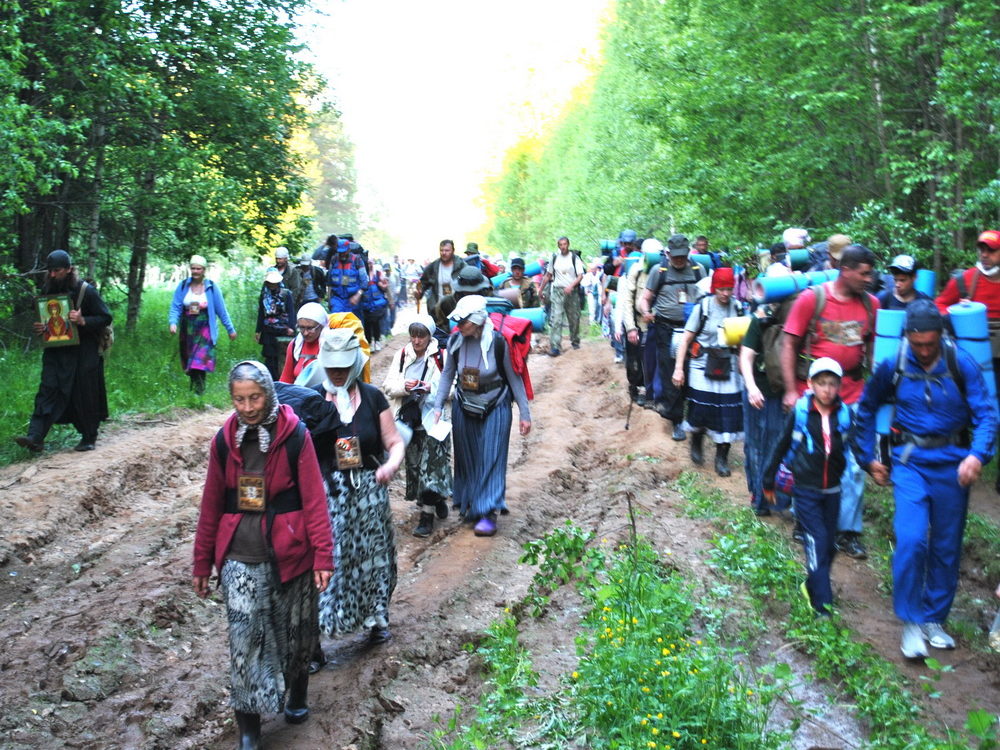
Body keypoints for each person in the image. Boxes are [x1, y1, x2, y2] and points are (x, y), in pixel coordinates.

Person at [192, 361, 334, 748]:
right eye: (239, 399)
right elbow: (210, 504)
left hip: (291, 550)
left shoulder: (295, 435)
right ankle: (249, 724)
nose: (248, 407)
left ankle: (298, 689)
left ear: (268, 394)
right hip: (240, 551)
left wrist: (323, 556)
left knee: (296, 630)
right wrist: (202, 562)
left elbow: (314, 500)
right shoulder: (224, 440)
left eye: (254, 397)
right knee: (244, 637)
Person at [852, 301, 997, 658]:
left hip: (953, 465)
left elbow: (986, 414)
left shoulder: (960, 363)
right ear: (908, 338)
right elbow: (866, 407)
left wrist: (978, 455)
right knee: (913, 539)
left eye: (930, 344)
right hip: (910, 463)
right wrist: (868, 458)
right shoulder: (895, 362)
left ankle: (935, 619)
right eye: (918, 345)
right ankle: (911, 621)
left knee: (946, 546)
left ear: (941, 337)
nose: (924, 351)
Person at [780, 243, 879, 559]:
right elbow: (788, 343)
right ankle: (805, 520)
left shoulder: (872, 305)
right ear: (845, 270)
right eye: (863, 274)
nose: (869, 279)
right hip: (816, 398)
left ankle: (848, 531)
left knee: (852, 465)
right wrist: (791, 390)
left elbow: (873, 350)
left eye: (870, 274)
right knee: (812, 458)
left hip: (855, 394)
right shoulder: (813, 299)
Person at [313, 329, 404, 644]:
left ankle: (376, 617)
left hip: (368, 490)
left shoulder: (373, 397)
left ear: (354, 363)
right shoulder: (312, 400)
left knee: (373, 555)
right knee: (331, 560)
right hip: (329, 494)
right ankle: (321, 632)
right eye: (331, 366)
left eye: (342, 366)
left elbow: (394, 442)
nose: (336, 372)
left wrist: (391, 465)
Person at [433, 295, 531, 537]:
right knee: (468, 459)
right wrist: (437, 406)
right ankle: (472, 504)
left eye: (463, 321)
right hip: (464, 404)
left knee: (491, 457)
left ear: (476, 321)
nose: (459, 325)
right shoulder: (456, 339)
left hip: (495, 405)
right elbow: (447, 374)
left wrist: (524, 414)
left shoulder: (498, 343)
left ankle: (488, 511)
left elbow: (514, 378)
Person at [762, 358, 852, 616]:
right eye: (821, 383)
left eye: (832, 384)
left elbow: (855, 445)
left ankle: (812, 583)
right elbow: (780, 445)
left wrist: (874, 465)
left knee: (830, 545)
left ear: (839, 386)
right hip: (806, 489)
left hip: (833, 490)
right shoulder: (801, 412)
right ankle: (822, 607)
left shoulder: (843, 415)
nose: (827, 389)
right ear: (811, 385)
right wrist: (768, 480)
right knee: (817, 541)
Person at [15, 250, 112, 453]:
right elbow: (46, 319)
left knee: (83, 393)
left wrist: (83, 321)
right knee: (47, 389)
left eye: (56, 270)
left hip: (83, 353)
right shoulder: (46, 290)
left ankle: (88, 437)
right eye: (50, 270)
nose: (52, 274)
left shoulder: (86, 291)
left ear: (69, 269)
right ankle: (35, 437)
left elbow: (105, 317)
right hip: (56, 351)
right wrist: (42, 328)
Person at [382, 314, 453, 537]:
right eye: (413, 336)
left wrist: (431, 388)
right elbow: (388, 386)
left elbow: (453, 388)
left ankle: (427, 516)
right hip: (409, 421)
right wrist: (406, 386)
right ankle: (437, 497)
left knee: (431, 467)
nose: (416, 341)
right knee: (414, 468)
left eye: (420, 336)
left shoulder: (442, 356)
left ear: (429, 336)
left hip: (434, 420)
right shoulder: (402, 356)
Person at [672, 267, 744, 476]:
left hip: (728, 363)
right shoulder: (703, 307)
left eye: (729, 289)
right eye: (721, 289)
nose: (725, 294)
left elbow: (742, 342)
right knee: (701, 409)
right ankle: (697, 440)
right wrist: (678, 369)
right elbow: (686, 339)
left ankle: (722, 457)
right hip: (701, 363)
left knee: (728, 411)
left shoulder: (737, 307)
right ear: (714, 288)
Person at [638, 233, 706, 440]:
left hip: (692, 329)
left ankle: (694, 415)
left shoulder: (698, 270)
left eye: (682, 256)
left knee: (691, 370)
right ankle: (676, 419)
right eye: (675, 256)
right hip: (665, 329)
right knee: (670, 372)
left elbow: (707, 296)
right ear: (668, 254)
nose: (679, 260)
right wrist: (646, 312)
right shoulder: (659, 271)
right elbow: (645, 298)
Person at [739, 306, 791, 515]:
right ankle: (758, 495)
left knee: (775, 446)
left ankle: (768, 497)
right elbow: (746, 356)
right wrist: (752, 388)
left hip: (781, 395)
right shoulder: (758, 321)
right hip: (758, 392)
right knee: (754, 445)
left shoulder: (795, 320)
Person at [168, 254, 237, 395]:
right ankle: (194, 390)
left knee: (200, 360)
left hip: (205, 329)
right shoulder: (183, 286)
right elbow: (175, 306)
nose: (195, 271)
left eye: (198, 269)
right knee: (190, 362)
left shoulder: (211, 287)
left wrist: (230, 329)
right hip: (188, 328)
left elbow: (221, 310)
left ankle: (199, 392)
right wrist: (173, 323)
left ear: (204, 270)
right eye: (193, 268)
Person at [620, 239, 660, 406]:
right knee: (636, 360)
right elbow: (627, 301)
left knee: (653, 360)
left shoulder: (662, 269)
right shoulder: (636, 271)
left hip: (658, 323)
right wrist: (630, 328)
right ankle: (637, 387)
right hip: (638, 322)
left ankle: (652, 391)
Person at [539, 237, 585, 355]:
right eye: (560, 245)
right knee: (556, 319)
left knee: (574, 318)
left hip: (572, 292)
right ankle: (555, 346)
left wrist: (571, 286)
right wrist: (541, 289)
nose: (563, 246)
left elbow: (580, 276)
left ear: (568, 244)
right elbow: (548, 275)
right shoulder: (554, 258)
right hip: (558, 291)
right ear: (558, 246)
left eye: (565, 244)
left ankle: (575, 341)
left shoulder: (575, 258)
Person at [256, 268, 296, 381]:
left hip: (283, 329)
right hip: (267, 330)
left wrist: (291, 327)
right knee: (269, 357)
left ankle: (283, 380)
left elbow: (291, 311)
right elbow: (261, 313)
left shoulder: (286, 294)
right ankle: (270, 380)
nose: (272, 285)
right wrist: (258, 330)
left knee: (282, 357)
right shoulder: (264, 294)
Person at [417, 239, 466, 327]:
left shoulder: (461, 265)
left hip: (457, 309)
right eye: (441, 250)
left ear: (453, 251)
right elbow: (423, 283)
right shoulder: (433, 267)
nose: (443, 253)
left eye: (447, 250)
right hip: (438, 310)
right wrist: (419, 291)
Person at [279, 302, 329, 386]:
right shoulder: (295, 346)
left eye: (310, 328)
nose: (305, 333)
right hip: (299, 395)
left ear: (321, 326)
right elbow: (286, 379)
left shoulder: (330, 345)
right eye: (301, 327)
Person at [326, 238, 369, 319]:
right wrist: (329, 301)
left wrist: (357, 295)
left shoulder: (357, 260)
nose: (342, 254)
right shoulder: (334, 260)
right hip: (337, 299)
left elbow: (365, 282)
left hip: (353, 300)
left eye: (344, 251)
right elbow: (329, 282)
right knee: (336, 323)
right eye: (340, 252)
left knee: (353, 326)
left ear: (349, 249)